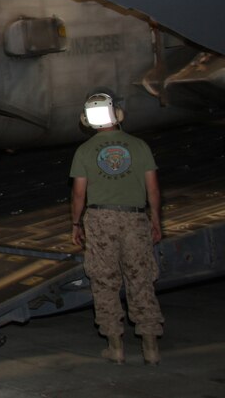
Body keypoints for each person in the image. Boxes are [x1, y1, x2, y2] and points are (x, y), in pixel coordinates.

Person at [70, 92, 164, 365]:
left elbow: (78, 194)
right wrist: (156, 220)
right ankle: (150, 348)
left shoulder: (84, 151)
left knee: (104, 282)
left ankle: (115, 346)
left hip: (100, 221)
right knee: (141, 279)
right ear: (117, 114)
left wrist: (76, 224)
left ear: (87, 120)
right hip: (135, 219)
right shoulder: (139, 146)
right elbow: (153, 189)